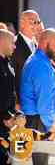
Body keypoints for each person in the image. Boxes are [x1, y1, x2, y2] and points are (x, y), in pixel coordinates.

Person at [20, 28, 55, 165]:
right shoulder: (40, 64)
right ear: (44, 42)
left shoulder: (38, 60)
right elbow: (44, 103)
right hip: (37, 122)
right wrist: (49, 126)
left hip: (33, 121)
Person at [12, 10, 44, 100]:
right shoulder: (14, 45)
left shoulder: (37, 46)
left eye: (38, 22)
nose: (36, 25)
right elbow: (10, 78)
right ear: (22, 24)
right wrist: (16, 104)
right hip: (21, 104)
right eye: (33, 22)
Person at [0, 29, 17, 164]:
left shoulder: (8, 64)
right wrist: (5, 116)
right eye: (12, 43)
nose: (14, 46)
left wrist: (15, 114)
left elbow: (10, 94)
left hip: (7, 126)